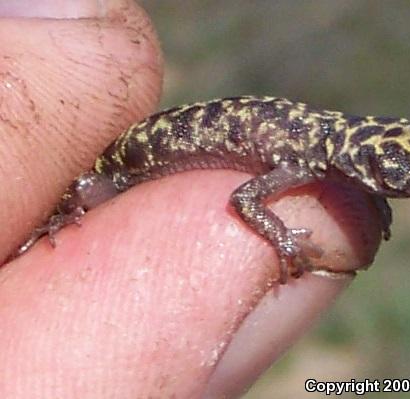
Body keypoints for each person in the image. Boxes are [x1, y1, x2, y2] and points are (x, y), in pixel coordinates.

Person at [0, 1, 380, 397]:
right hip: (117, 170)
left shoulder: (320, 153)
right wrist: (283, 240)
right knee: (82, 193)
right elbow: (246, 200)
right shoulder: (305, 156)